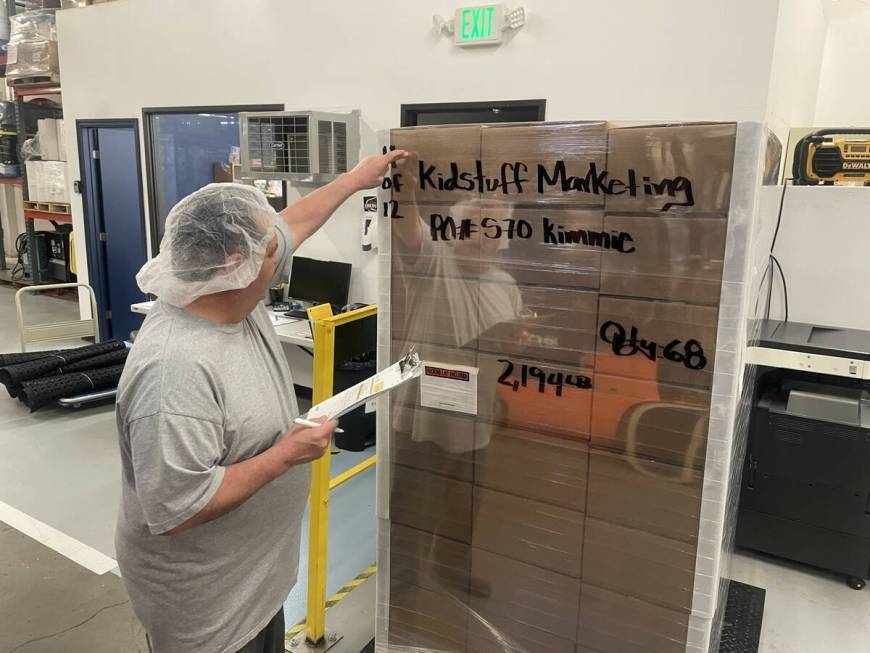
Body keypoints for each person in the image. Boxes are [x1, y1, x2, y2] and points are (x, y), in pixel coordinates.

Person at [114, 149, 405, 653]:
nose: (283, 249)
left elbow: (294, 223)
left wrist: (357, 179)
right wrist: (286, 455)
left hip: (256, 581)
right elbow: (179, 507)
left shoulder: (228, 293)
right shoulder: (175, 370)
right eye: (272, 246)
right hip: (209, 608)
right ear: (237, 262)